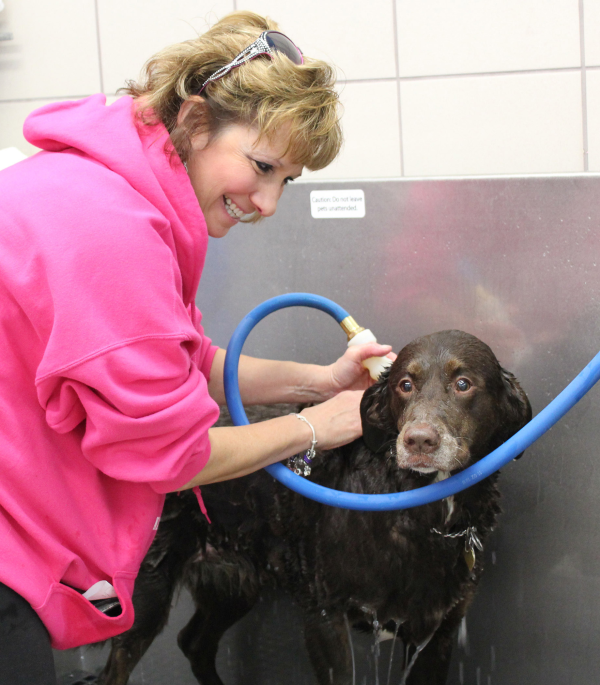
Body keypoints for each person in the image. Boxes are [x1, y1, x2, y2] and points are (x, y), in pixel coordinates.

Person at [0, 11, 392, 684]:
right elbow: (172, 455)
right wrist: (314, 429)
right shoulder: (109, 228)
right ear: (195, 118)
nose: (268, 203)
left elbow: (182, 362)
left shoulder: (96, 184)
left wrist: (322, 381)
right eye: (262, 166)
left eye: (286, 180)